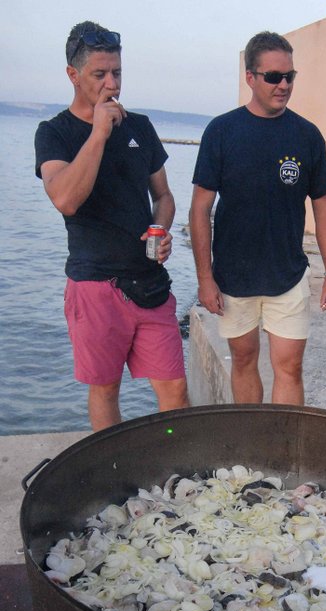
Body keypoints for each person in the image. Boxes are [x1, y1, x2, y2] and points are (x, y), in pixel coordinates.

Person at [34, 21, 189, 431]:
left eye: (117, 72)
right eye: (99, 74)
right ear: (73, 75)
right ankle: (114, 476)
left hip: (149, 283)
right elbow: (65, 199)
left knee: (174, 388)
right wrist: (99, 133)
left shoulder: (140, 126)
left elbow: (165, 197)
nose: (111, 84)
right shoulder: (54, 133)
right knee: (105, 389)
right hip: (94, 287)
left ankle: (178, 474)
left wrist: (161, 229)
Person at [189, 31, 326, 406]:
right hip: (233, 277)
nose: (284, 84)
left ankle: (282, 452)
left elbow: (323, 204)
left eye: (290, 76)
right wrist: (205, 278)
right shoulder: (222, 132)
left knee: (289, 367)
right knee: (243, 360)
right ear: (251, 78)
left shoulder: (307, 136)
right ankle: (252, 446)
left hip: (287, 274)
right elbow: (199, 209)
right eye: (274, 76)